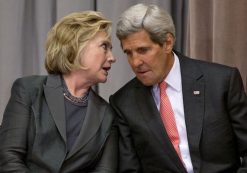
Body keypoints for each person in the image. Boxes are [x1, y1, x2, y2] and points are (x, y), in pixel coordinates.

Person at [109, 3, 247, 173]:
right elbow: (130, 169)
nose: (135, 62)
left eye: (143, 50)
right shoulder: (123, 102)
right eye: (128, 53)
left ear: (167, 42)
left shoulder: (221, 82)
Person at [0, 11, 117, 172]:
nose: (112, 57)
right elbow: (9, 157)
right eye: (105, 46)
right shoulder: (28, 90)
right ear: (76, 46)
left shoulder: (107, 114)